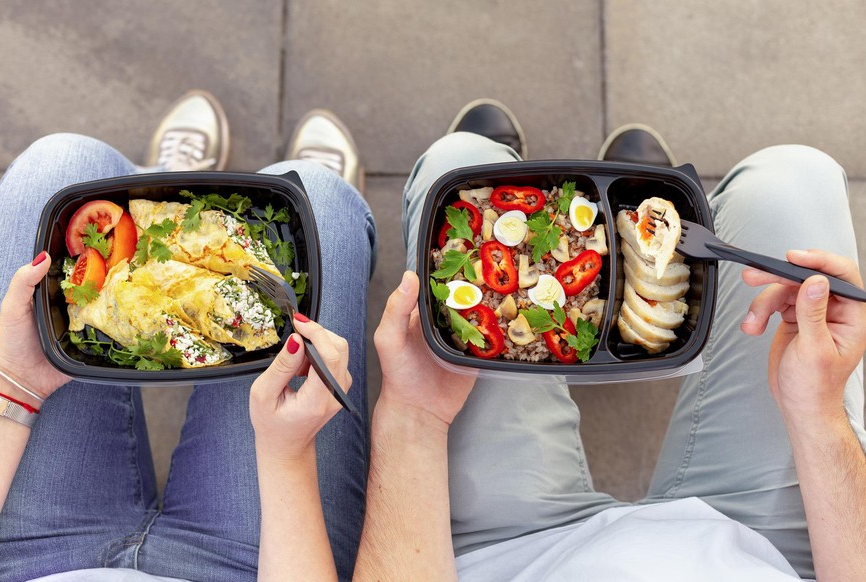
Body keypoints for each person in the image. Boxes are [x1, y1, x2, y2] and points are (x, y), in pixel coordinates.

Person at [355, 99, 866, 580]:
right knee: (795, 179)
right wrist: (818, 414)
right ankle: (643, 212)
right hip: (766, 555)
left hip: (508, 557)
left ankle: (529, 175)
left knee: (461, 158)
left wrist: (413, 415)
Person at [0, 91, 376, 581]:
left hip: (24, 562)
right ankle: (196, 203)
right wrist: (287, 455)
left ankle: (157, 197)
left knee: (59, 161)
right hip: (247, 569)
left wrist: (12, 383)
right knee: (320, 199)